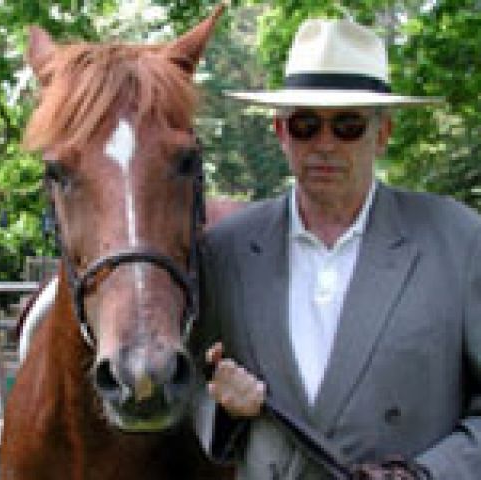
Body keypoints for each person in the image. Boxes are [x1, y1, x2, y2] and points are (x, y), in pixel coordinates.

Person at [195, 17, 481, 480]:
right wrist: (223, 409)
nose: (324, 145)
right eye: (306, 125)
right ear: (281, 132)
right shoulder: (224, 251)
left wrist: (425, 474)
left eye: (348, 125)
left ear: (382, 134)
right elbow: (187, 387)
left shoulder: (457, 241)